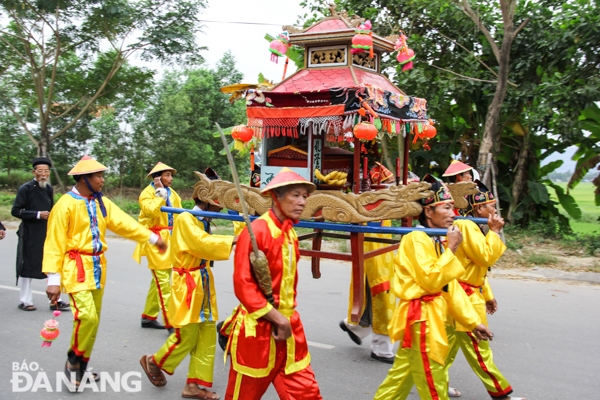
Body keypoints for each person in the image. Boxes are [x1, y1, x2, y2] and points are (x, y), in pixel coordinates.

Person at [43, 155, 167, 389]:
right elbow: (54, 242)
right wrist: (53, 279)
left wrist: (152, 238)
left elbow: (125, 224)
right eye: (98, 176)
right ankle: (72, 361)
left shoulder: (101, 202)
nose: (102, 180)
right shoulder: (65, 205)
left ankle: (82, 364)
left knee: (93, 321)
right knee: (86, 316)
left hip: (98, 267)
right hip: (75, 268)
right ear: (84, 179)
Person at [373, 174, 493, 400]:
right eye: (446, 208)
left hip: (427, 317)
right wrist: (452, 250)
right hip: (422, 320)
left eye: (452, 208)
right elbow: (432, 281)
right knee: (433, 382)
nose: (452, 214)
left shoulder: (435, 239)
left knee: (399, 380)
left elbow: (450, 287)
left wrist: (471, 321)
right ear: (429, 212)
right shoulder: (417, 239)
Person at [220, 167, 322, 400]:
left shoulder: (291, 234)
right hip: (259, 330)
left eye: (305, 196)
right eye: (296, 195)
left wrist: (285, 320)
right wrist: (276, 318)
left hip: (290, 328)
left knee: (307, 393)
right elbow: (243, 283)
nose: (302, 202)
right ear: (276, 197)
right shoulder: (256, 232)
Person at [140, 176, 234, 400]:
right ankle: (154, 361)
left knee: (206, 335)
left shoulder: (205, 219)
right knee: (187, 335)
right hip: (187, 284)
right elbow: (200, 244)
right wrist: (233, 241)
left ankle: (194, 385)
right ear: (206, 198)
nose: (222, 203)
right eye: (219, 198)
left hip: (203, 280)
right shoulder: (186, 218)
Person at [444, 180, 526, 400]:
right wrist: (495, 231)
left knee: (445, 348)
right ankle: (502, 395)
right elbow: (485, 258)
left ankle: (436, 384)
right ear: (479, 209)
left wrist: (487, 295)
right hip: (465, 299)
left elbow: (475, 268)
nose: (495, 210)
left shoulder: (470, 225)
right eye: (491, 206)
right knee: (480, 351)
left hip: (462, 294)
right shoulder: (468, 225)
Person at [12, 157, 70, 312]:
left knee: (52, 263)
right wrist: (37, 214)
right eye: (40, 171)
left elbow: (52, 210)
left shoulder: (48, 189)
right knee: (28, 266)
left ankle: (55, 300)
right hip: (30, 233)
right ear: (34, 172)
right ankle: (25, 300)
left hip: (47, 232)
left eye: (46, 171)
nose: (43, 174)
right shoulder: (26, 188)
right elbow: (16, 211)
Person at [133, 162, 181, 333]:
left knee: (159, 280)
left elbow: (179, 214)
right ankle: (171, 323)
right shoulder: (146, 194)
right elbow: (152, 212)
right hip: (155, 239)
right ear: (157, 177)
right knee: (163, 282)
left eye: (171, 175)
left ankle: (148, 316)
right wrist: (160, 194)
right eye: (167, 175)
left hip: (170, 238)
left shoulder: (173, 193)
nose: (170, 179)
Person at [339, 219, 396, 364]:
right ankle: (381, 348)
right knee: (380, 286)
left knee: (379, 284)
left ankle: (355, 326)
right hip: (370, 222)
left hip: (381, 225)